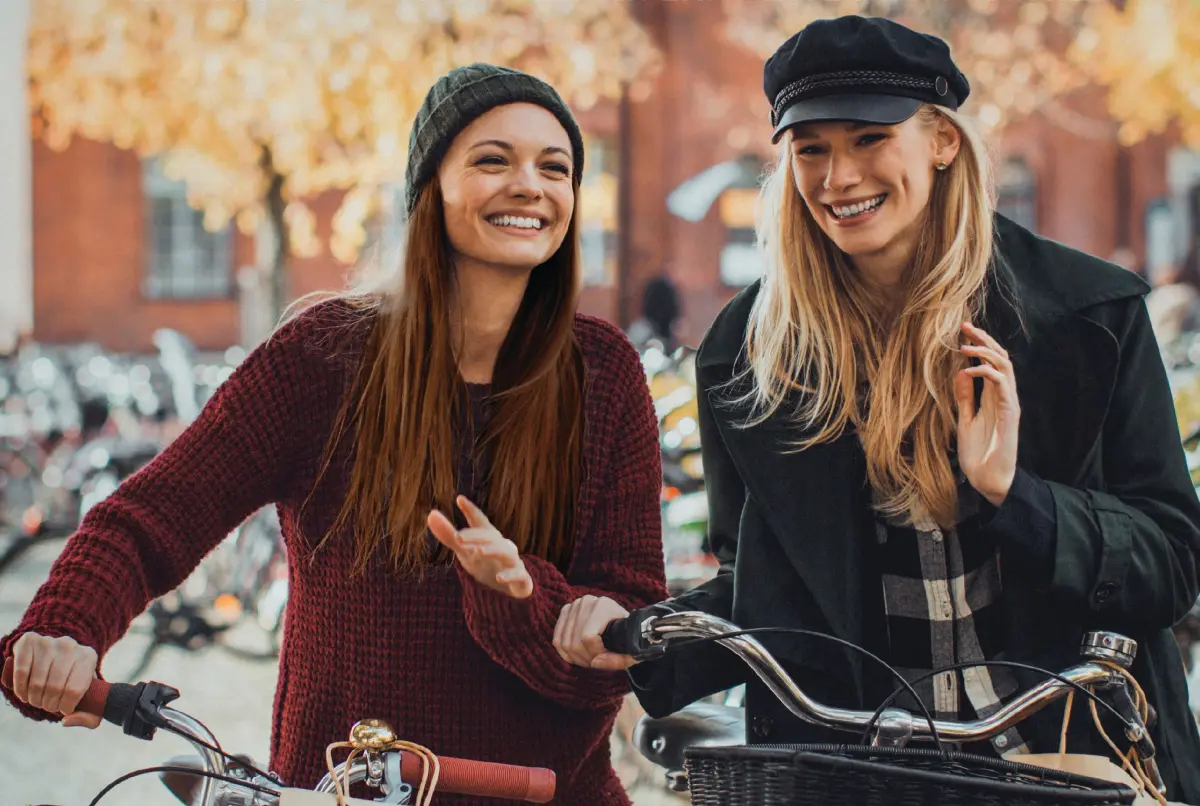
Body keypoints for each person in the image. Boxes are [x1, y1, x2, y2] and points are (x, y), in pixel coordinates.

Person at [555, 16, 1200, 801]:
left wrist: (1014, 496)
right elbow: (764, 592)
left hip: (1067, 759)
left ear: (941, 142)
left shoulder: (1089, 316)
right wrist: (638, 639)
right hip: (857, 769)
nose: (838, 178)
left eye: (868, 138)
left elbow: (1172, 561)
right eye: (811, 148)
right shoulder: (750, 351)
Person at [2, 63, 668, 804]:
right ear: (429, 189)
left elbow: (629, 632)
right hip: (336, 793)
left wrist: (525, 597)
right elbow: (149, 519)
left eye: (557, 168)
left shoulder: (602, 372)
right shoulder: (324, 358)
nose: (530, 186)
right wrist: (64, 629)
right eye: (492, 160)